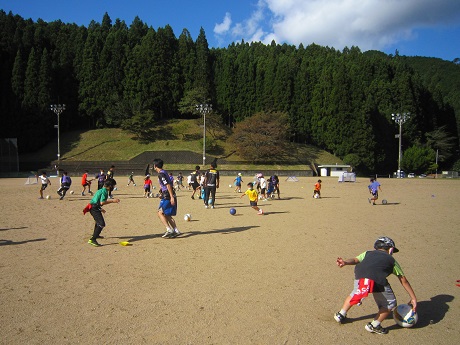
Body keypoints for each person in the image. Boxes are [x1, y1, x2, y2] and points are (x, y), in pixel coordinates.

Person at [334, 236, 417, 335]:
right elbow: (404, 280)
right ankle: (374, 325)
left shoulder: (367, 253)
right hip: (378, 280)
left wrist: (345, 262)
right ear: (390, 250)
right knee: (390, 303)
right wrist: (413, 298)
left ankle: (341, 314)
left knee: (355, 294)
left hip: (361, 276)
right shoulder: (391, 260)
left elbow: (356, 260)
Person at [84, 180, 120, 247]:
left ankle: (96, 235)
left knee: (98, 222)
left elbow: (95, 201)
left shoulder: (100, 190)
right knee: (101, 224)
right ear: (109, 186)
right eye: (113, 185)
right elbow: (102, 202)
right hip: (94, 208)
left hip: (94, 207)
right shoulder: (105, 191)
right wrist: (113, 201)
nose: (114, 187)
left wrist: (100, 208)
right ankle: (92, 239)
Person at [153, 158, 180, 238]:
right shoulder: (164, 172)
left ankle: (169, 229)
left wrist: (171, 197)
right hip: (167, 193)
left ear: (155, 166)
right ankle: (176, 230)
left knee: (160, 212)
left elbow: (168, 185)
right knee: (167, 214)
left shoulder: (161, 174)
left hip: (168, 195)